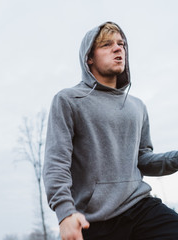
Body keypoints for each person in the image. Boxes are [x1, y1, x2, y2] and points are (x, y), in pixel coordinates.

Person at [43, 21, 178, 240]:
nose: (118, 48)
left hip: (140, 207)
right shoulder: (68, 100)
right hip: (93, 220)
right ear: (89, 57)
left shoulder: (137, 106)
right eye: (107, 44)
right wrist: (65, 214)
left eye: (121, 44)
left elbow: (142, 159)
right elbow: (56, 164)